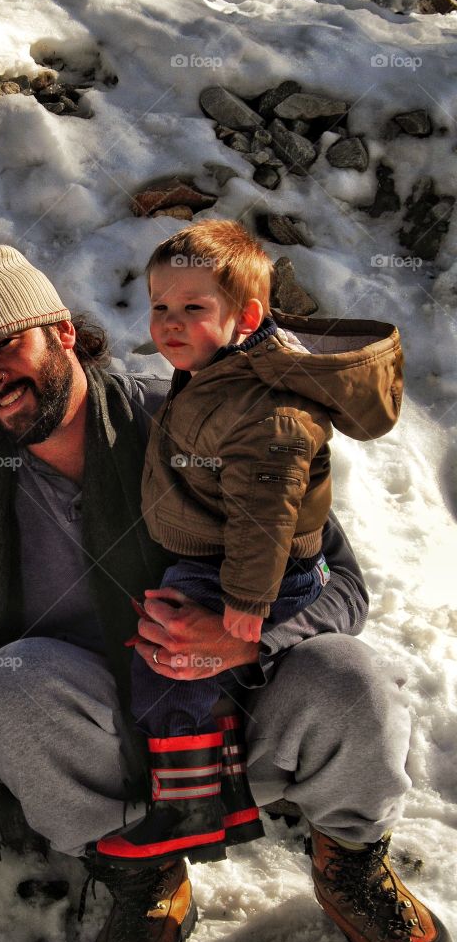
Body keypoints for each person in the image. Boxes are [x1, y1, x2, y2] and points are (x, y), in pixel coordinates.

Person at [0, 243, 455, 942]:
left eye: (6, 346)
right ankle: (143, 873)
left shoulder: (201, 412)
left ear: (62, 331)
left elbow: (340, 586)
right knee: (10, 685)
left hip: (251, 711)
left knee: (353, 674)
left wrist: (243, 637)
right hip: (109, 747)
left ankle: (350, 864)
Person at [101, 220, 403, 870]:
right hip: (224, 562)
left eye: (193, 308)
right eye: (159, 307)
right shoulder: (214, 373)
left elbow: (266, 513)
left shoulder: (260, 404)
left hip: (252, 573)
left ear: (247, 317)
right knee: (166, 654)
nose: (170, 323)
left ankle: (196, 809)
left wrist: (241, 611)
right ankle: (203, 798)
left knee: (172, 665)